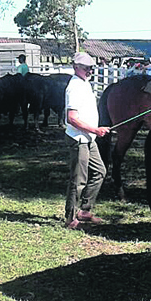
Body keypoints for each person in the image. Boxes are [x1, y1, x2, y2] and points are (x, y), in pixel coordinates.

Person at [63, 52, 110, 229]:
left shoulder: (84, 84)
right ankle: (70, 218)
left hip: (88, 138)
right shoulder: (74, 87)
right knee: (78, 180)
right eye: (86, 68)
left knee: (100, 171)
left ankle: (84, 210)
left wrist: (93, 132)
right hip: (79, 139)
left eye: (91, 68)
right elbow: (72, 118)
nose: (89, 71)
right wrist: (95, 130)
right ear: (76, 67)